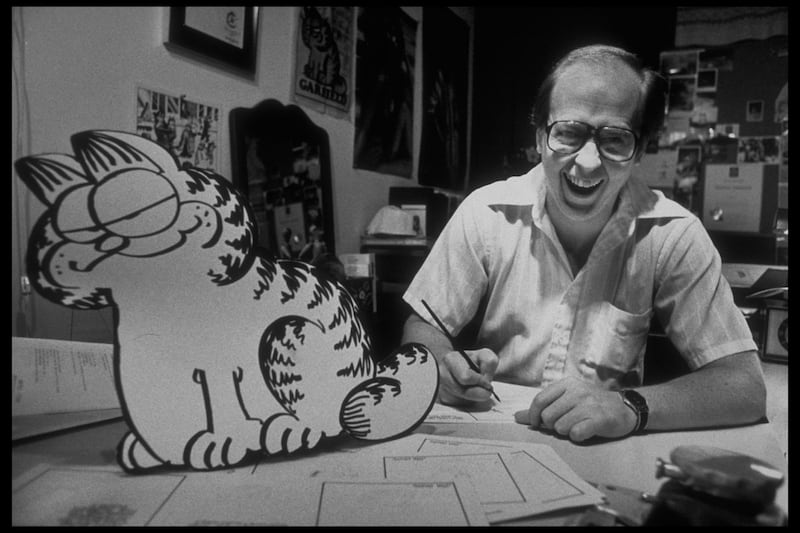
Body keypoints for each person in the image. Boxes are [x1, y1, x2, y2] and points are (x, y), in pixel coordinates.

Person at [401, 44, 765, 443]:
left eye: (615, 139)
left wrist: (629, 406)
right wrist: (440, 367)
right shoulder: (485, 212)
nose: (588, 162)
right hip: (494, 437)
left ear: (639, 149)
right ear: (540, 137)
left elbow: (744, 387)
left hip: (606, 450)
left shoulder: (672, 233)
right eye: (569, 133)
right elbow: (423, 325)